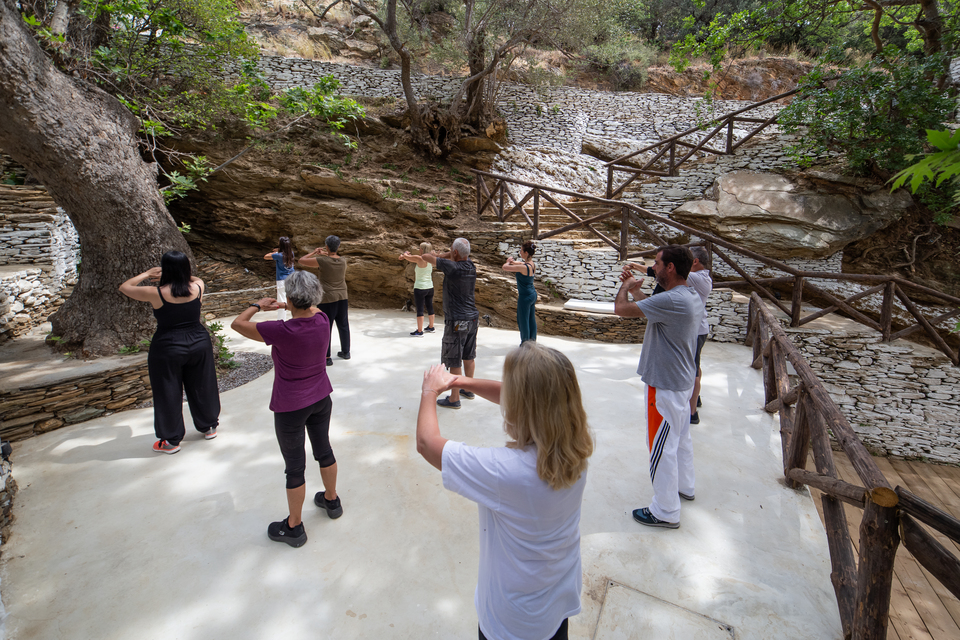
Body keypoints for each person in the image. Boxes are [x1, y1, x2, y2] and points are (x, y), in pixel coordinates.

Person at [416, 341, 594, 640]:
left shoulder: (508, 473)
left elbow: (426, 443)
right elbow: (534, 398)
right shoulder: (576, 447)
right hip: (556, 602)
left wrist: (430, 391)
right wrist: (459, 381)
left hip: (513, 623)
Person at [230, 271, 342, 548]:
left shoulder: (280, 331)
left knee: (295, 468)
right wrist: (287, 305)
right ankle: (331, 500)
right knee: (324, 450)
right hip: (321, 398)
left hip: (291, 405)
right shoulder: (322, 319)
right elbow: (310, 306)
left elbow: (237, 324)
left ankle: (294, 527)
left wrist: (258, 305)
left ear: (291, 298)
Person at [614, 245, 703, 529]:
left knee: (660, 447)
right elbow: (655, 311)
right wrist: (638, 290)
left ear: (670, 268)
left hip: (664, 386)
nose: (653, 267)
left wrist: (626, 288)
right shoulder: (687, 295)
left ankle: (665, 510)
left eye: (657, 263)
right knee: (680, 440)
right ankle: (685, 487)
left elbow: (621, 310)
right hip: (681, 383)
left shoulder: (673, 300)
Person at [119, 251, 220, 454]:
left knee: (168, 390)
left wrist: (147, 273)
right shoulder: (197, 286)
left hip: (168, 345)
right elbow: (195, 277)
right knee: (203, 384)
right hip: (199, 341)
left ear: (165, 269)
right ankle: (209, 426)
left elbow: (125, 287)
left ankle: (171, 440)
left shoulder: (156, 292)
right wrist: (181, 273)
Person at [420, 237, 478, 410]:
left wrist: (436, 254)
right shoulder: (471, 266)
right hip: (472, 318)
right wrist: (447, 253)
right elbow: (452, 256)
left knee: (454, 359)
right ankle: (468, 388)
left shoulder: (452, 267)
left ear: (454, 253)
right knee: (469, 355)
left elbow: (427, 258)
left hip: (457, 319)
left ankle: (454, 398)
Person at [300, 235, 349, 367]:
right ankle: (346, 352)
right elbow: (332, 257)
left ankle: (327, 357)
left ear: (326, 246)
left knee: (326, 326)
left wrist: (315, 252)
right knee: (343, 324)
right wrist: (326, 253)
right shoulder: (343, 260)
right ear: (338, 246)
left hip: (327, 298)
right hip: (343, 296)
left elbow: (302, 260)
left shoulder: (322, 261)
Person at [686, 246, 713, 424]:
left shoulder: (695, 277)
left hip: (696, 330)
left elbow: (666, 272)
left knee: (693, 370)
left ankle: (692, 413)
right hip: (700, 330)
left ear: (695, 262)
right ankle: (697, 397)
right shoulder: (702, 277)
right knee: (696, 364)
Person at [501, 241, 537, 344]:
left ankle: (525, 344)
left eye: (521, 250)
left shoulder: (523, 267)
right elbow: (519, 263)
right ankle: (532, 342)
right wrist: (512, 261)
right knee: (531, 319)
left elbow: (505, 267)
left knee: (523, 321)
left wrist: (507, 262)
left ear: (526, 253)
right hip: (532, 294)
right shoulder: (531, 264)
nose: (520, 252)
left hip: (525, 297)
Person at [399, 242, 436, 337]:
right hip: (430, 287)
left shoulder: (420, 258)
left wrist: (405, 253)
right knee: (429, 307)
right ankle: (431, 327)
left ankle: (419, 331)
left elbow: (407, 257)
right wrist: (405, 256)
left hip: (420, 288)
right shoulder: (432, 259)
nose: (419, 250)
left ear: (422, 250)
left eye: (420, 248)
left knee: (420, 309)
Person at [264, 237, 296, 321]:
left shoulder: (279, 255)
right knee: (293, 300)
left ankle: (281, 320)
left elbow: (266, 256)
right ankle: (297, 318)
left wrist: (276, 251)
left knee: (282, 301)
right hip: (292, 279)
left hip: (282, 280)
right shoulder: (291, 253)